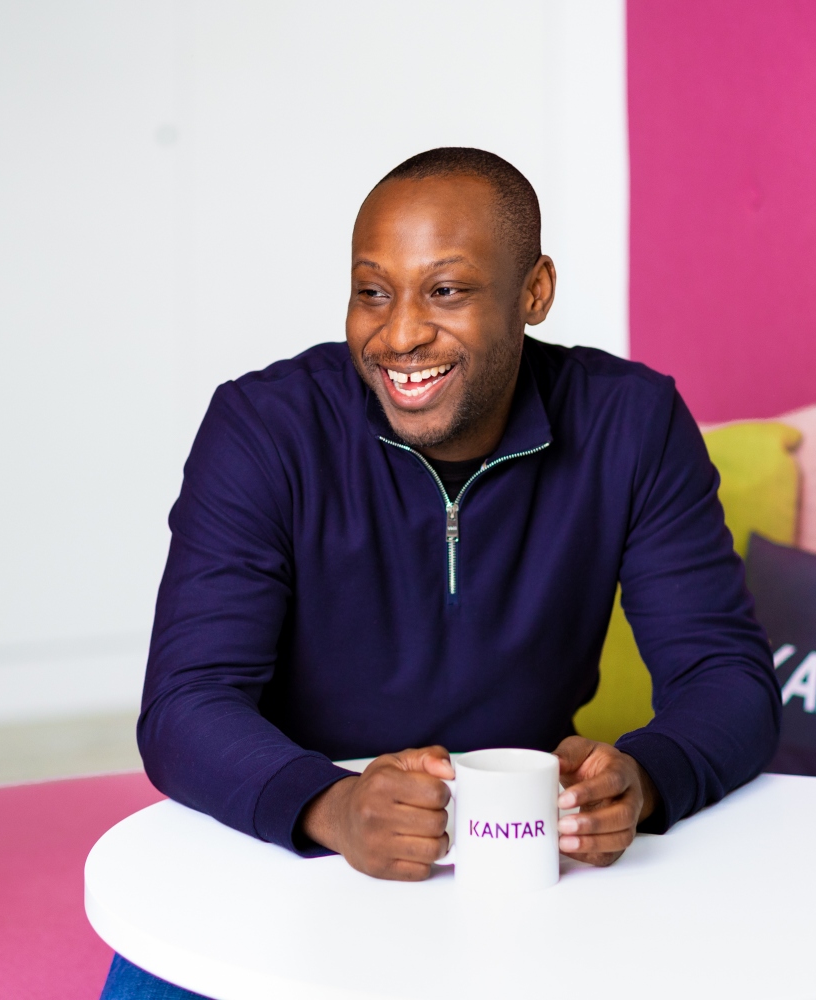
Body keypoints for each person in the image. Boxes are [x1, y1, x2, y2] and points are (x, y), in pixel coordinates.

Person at [99, 147, 780, 998]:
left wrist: (643, 781)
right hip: (285, 840)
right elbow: (185, 703)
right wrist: (331, 806)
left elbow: (728, 679)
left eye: (446, 290)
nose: (400, 333)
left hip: (523, 863)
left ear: (534, 292)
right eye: (373, 292)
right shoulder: (263, 429)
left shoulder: (630, 424)